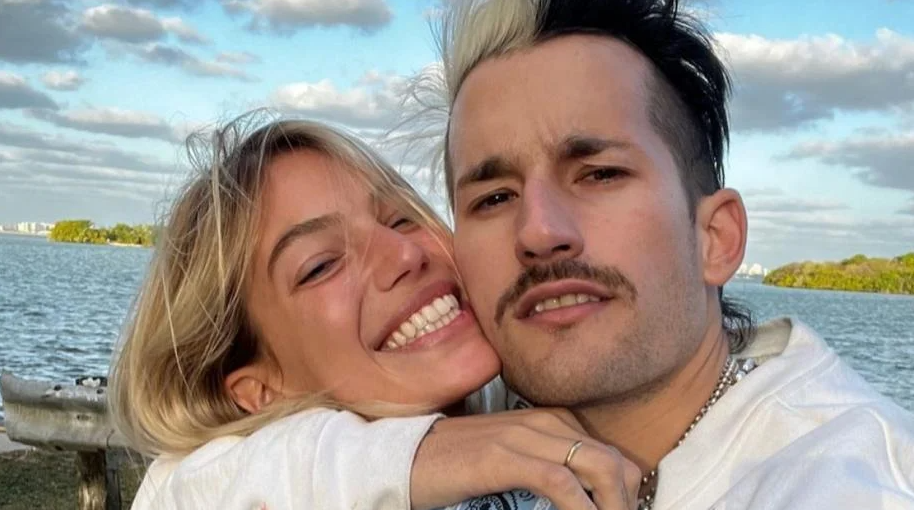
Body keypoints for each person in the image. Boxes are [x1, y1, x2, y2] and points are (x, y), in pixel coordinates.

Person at [422, 0, 914, 508]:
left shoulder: (853, 481)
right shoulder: (462, 433)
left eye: (600, 174)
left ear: (715, 238)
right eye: (494, 198)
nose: (539, 231)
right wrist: (409, 459)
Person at [111, 112, 642, 510]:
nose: (404, 254)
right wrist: (413, 457)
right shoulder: (228, 482)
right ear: (261, 390)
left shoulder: (540, 385)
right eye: (321, 266)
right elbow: (186, 489)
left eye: (401, 218)